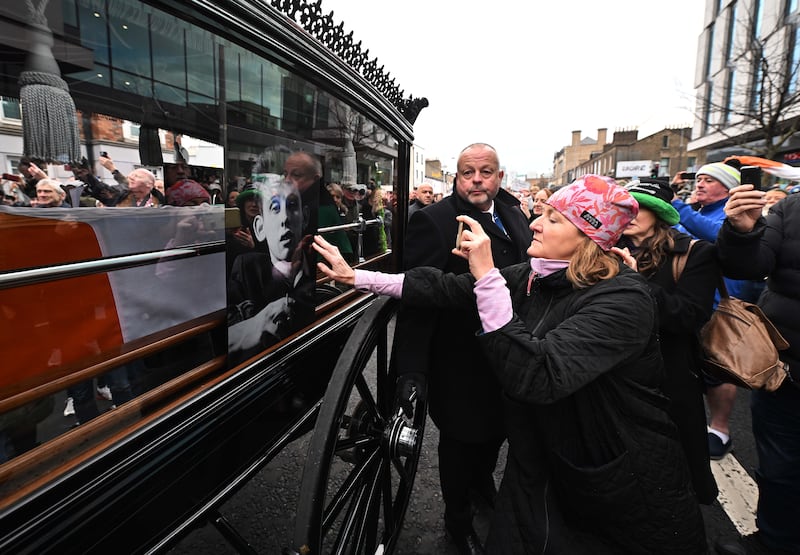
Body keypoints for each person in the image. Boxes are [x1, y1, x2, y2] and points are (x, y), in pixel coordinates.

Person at [313, 174, 706, 554]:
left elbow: (536, 376)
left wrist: (486, 276)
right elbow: (445, 287)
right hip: (539, 463)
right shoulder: (537, 275)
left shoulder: (624, 300)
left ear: (587, 235)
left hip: (611, 476)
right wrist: (358, 278)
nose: (535, 223)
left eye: (553, 219)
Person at [393, 143, 532, 554]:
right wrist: (412, 368)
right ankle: (458, 520)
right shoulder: (434, 222)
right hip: (459, 358)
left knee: (497, 432)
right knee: (461, 439)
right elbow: (417, 296)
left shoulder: (512, 214)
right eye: (468, 172)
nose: (476, 179)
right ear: (456, 177)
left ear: (499, 177)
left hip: (508, 351)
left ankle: (481, 483)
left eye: (485, 172)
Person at [611, 179, 719, 504]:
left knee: (676, 466)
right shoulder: (608, 247)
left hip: (670, 376)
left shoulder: (696, 253)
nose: (630, 213)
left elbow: (688, 316)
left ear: (658, 214)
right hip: (618, 371)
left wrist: (634, 282)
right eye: (624, 207)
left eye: (639, 207)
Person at [715, 183, 800, 554]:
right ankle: (774, 542)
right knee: (780, 466)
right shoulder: (791, 210)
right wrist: (742, 232)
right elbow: (748, 265)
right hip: (787, 372)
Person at [671, 162, 753, 460]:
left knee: (719, 369)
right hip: (689, 299)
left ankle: (720, 429)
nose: (701, 184)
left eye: (709, 180)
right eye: (700, 179)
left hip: (720, 302)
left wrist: (677, 204)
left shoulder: (733, 213)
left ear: (728, 188)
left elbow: (715, 234)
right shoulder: (699, 209)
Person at [227, 175, 314, 366]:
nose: (284, 219)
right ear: (260, 227)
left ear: (305, 217)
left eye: (292, 206)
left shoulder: (317, 267)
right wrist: (258, 324)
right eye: (275, 209)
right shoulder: (246, 268)